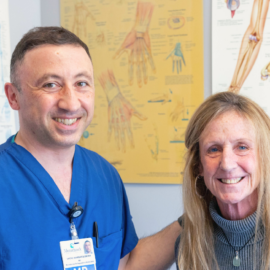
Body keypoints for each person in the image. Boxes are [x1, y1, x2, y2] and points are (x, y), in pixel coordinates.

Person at [1, 27, 181, 269]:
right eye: (51, 85)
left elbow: (123, 265)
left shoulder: (105, 175)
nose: (71, 102)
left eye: (81, 83)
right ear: (13, 96)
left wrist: (193, 221)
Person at [175, 91, 270, 269]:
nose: (226, 164)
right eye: (213, 149)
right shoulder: (188, 243)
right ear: (199, 166)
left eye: (242, 147)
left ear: (264, 158)